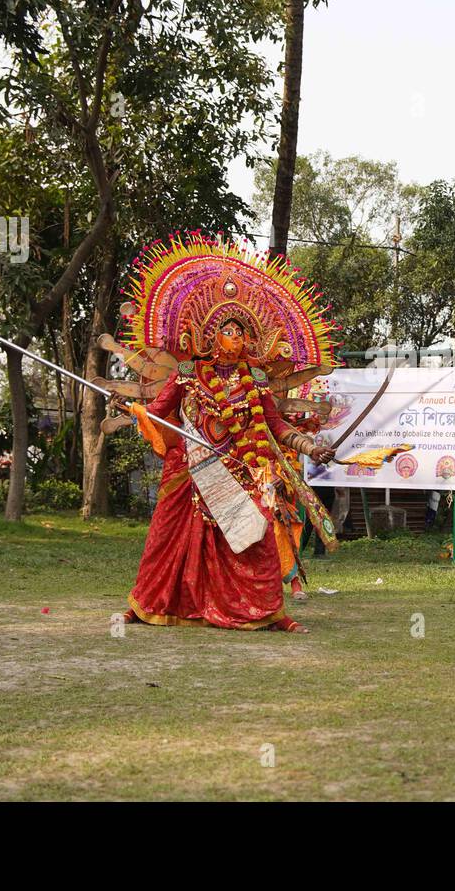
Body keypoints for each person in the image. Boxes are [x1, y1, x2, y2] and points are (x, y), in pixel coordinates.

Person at [109, 233, 342, 633]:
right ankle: (147, 603)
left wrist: (309, 445)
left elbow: (275, 425)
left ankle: (269, 613)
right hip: (188, 469)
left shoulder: (254, 380)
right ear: (212, 335)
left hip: (240, 469)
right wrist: (130, 409)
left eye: (243, 334)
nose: (238, 340)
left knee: (257, 542)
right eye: (230, 332)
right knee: (166, 538)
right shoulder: (187, 374)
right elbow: (158, 413)